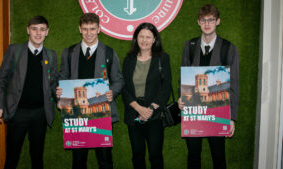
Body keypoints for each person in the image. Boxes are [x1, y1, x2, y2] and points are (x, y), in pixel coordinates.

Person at [57, 13, 124, 169]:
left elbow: (119, 80)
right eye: (85, 29)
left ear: (99, 29)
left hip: (101, 114)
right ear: (79, 29)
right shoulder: (68, 53)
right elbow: (62, 79)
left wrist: (112, 92)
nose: (89, 33)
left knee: (105, 160)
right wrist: (60, 95)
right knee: (79, 161)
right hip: (76, 115)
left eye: (92, 29)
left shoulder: (109, 52)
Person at [178, 4, 239, 169]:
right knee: (193, 156)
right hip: (193, 111)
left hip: (218, 111)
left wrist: (231, 117)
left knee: (218, 156)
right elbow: (183, 78)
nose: (207, 23)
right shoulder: (189, 46)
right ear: (198, 22)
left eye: (211, 19)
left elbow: (233, 84)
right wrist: (181, 98)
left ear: (218, 21)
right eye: (203, 20)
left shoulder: (228, 48)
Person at [0, 16, 58, 169]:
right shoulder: (14, 50)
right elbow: (1, 81)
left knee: (37, 158)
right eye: (34, 29)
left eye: (42, 29)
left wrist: (60, 98)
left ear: (47, 32)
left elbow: (53, 83)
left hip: (40, 114)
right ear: (28, 30)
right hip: (17, 113)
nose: (38, 33)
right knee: (12, 158)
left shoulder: (51, 55)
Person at [122, 22, 171, 169]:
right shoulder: (128, 59)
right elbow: (124, 87)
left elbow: (166, 87)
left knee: (155, 156)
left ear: (155, 39)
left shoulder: (163, 58)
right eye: (141, 36)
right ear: (136, 38)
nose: (144, 40)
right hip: (133, 114)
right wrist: (138, 108)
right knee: (137, 155)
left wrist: (149, 109)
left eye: (148, 37)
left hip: (154, 115)